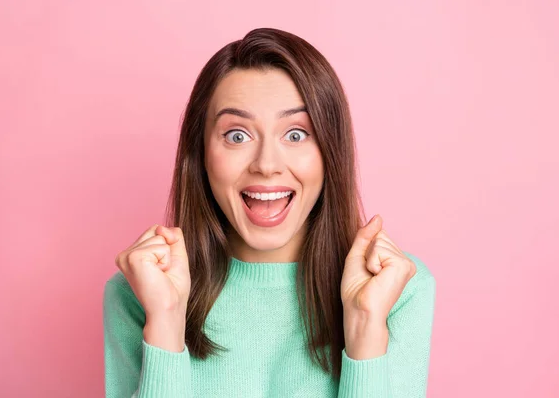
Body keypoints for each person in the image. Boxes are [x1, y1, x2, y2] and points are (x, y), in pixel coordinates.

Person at [103, 27, 436, 398]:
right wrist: (164, 324)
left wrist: (365, 331)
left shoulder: (397, 292)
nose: (266, 164)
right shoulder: (139, 293)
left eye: (295, 134)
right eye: (237, 135)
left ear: (330, 153)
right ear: (200, 156)